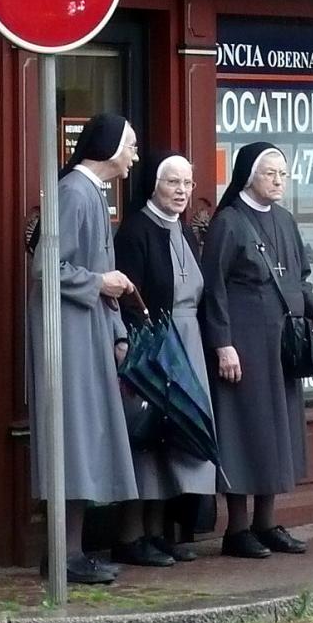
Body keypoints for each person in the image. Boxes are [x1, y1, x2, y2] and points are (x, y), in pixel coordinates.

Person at [202, 142, 313, 559]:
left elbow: (298, 279)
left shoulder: (284, 219)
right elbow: (214, 289)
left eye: (284, 174)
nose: (279, 181)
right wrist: (223, 344)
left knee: (276, 433)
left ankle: (266, 522)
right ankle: (238, 529)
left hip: (282, 345)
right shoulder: (228, 223)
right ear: (248, 176)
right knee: (245, 431)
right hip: (244, 345)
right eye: (271, 173)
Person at [26, 113, 140, 584]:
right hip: (68, 337)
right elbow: (46, 267)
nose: (134, 154)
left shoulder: (91, 193)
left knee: (82, 441)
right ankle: (63, 555)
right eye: (130, 145)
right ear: (109, 145)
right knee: (70, 439)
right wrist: (101, 282)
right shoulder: (75, 191)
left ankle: (72, 551)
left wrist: (116, 334)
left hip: (88, 332)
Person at [112, 150, 216, 567]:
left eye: (188, 184)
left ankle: (159, 533)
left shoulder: (187, 232)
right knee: (147, 440)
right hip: (154, 347)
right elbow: (128, 298)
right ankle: (130, 536)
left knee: (174, 441)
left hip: (188, 345)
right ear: (154, 184)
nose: (182, 191)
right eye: (174, 182)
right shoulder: (135, 232)